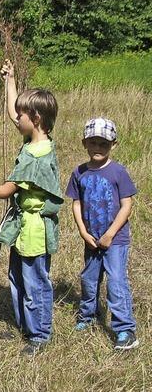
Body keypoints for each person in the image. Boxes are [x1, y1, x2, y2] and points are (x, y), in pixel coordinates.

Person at [0, 60, 63, 356]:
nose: (15, 118)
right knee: (17, 278)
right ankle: (24, 327)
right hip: (22, 228)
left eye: (22, 115)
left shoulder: (37, 156)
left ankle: (40, 335)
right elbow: (11, 113)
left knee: (35, 284)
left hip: (34, 230)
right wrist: (10, 80)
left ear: (36, 118)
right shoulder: (35, 138)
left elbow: (7, 190)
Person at [65, 117, 139, 350]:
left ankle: (125, 329)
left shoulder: (118, 172)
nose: (98, 148)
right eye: (93, 142)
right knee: (89, 279)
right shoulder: (79, 173)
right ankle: (87, 316)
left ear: (113, 145)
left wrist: (110, 234)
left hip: (115, 240)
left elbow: (127, 206)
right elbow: (76, 204)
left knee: (116, 282)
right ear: (84, 143)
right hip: (91, 239)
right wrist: (83, 232)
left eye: (103, 144)